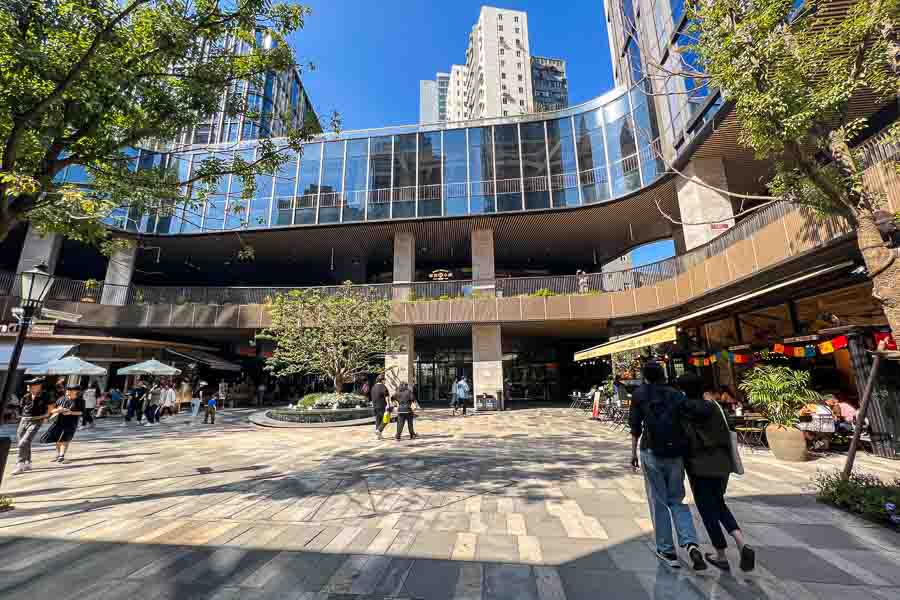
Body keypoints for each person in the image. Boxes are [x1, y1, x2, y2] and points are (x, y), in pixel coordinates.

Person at [629, 362, 706, 570]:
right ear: (663, 375)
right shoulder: (677, 395)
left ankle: (666, 549)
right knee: (677, 500)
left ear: (645, 376)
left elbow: (635, 426)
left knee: (658, 501)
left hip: (651, 451)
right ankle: (690, 543)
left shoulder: (639, 394)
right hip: (676, 454)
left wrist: (633, 452)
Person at [683, 384, 756, 572]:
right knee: (718, 502)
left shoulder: (685, 409)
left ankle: (721, 554)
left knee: (707, 509)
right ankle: (740, 542)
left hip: (699, 466)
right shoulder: (715, 406)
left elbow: (685, 438)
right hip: (722, 463)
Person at [12, 377, 52, 475]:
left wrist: (47, 416)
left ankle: (20, 464)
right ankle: (28, 462)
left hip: (37, 420)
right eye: (28, 385)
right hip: (24, 420)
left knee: (23, 442)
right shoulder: (26, 396)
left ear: (39, 386)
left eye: (31, 385)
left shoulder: (45, 395)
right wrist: (18, 415)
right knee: (25, 442)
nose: (29, 387)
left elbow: (50, 407)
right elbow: (21, 407)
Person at [42, 384, 85, 464]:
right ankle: (59, 456)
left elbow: (82, 412)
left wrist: (71, 412)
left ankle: (61, 456)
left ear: (76, 391)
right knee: (58, 440)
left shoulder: (80, 401)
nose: (68, 392)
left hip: (71, 423)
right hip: (58, 422)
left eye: (71, 390)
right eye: (67, 390)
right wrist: (59, 410)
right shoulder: (61, 399)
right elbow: (52, 410)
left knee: (64, 439)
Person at [371, 374, 389, 440]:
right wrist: (388, 404)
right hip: (382, 405)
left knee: (378, 420)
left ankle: (378, 436)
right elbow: (386, 397)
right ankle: (379, 430)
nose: (385, 381)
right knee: (386, 420)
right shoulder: (383, 387)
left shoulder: (373, 387)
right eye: (384, 380)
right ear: (382, 380)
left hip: (375, 406)